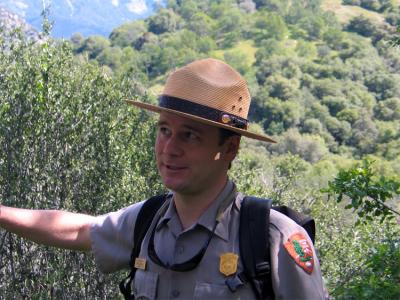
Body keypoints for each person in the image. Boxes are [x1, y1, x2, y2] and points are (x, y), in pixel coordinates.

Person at [0, 58, 328, 299]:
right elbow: (78, 229)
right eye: (164, 130)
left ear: (230, 148)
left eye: (190, 136)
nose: (169, 148)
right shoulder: (146, 222)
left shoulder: (273, 238)